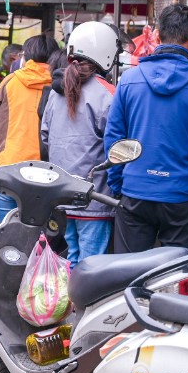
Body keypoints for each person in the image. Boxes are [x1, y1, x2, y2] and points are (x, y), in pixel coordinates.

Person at [105, 4, 188, 253]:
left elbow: (113, 141)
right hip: (182, 197)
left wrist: (119, 186)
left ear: (157, 36)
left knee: (129, 279)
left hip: (135, 193)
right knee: (176, 280)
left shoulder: (129, 81)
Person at [41, 22, 122, 267]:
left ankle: (71, 305)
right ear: (107, 54)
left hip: (61, 196)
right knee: (92, 265)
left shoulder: (56, 93)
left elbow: (45, 137)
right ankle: (83, 307)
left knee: (72, 261)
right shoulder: (109, 93)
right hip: (94, 199)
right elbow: (117, 146)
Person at [0, 33, 60, 223]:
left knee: (7, 229)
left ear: (26, 56)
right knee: (43, 230)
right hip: (47, 170)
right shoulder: (59, 84)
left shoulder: (11, 81)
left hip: (9, 166)